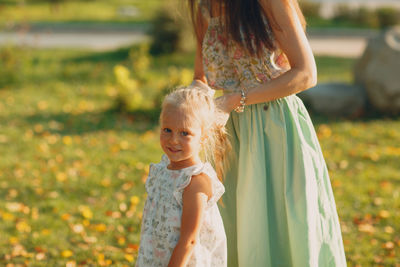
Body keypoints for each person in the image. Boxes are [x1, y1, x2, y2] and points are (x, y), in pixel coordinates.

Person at [188, 0, 347, 266]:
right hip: (229, 135)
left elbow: (306, 73)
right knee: (238, 225)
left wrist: (234, 100)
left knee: (280, 225)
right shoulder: (206, 7)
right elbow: (201, 78)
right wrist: (186, 104)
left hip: (275, 128)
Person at [135, 87, 228, 267]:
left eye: (185, 133)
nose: (173, 140)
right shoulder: (163, 169)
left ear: (203, 136)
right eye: (167, 130)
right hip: (156, 255)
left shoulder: (194, 181)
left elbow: (189, 239)